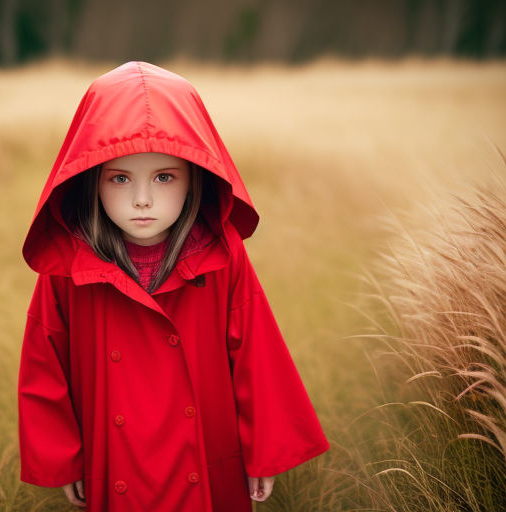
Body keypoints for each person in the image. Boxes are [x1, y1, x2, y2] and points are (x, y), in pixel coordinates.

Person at [18, 61, 330, 511]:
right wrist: (65, 460)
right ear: (90, 180)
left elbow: (256, 354)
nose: (141, 199)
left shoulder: (222, 253)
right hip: (112, 460)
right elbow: (45, 364)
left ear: (194, 178)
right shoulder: (68, 264)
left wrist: (263, 452)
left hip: (206, 458)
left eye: (164, 177)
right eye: (120, 178)